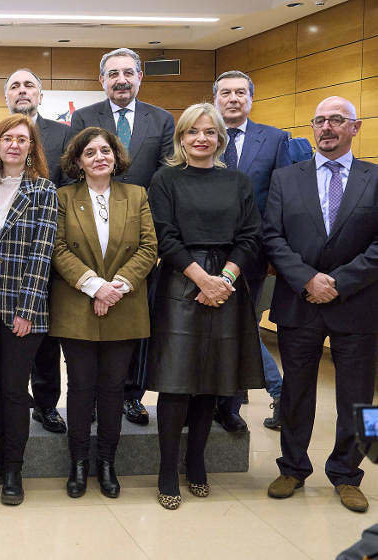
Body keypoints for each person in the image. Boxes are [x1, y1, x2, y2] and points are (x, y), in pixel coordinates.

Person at [146, 103, 264, 510]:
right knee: (177, 381)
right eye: (193, 132)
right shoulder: (165, 179)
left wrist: (225, 280)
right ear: (181, 138)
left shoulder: (238, 181)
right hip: (181, 281)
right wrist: (202, 279)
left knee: (211, 381)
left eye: (209, 132)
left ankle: (196, 462)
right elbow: (165, 235)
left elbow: (250, 235)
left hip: (228, 284)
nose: (201, 138)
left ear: (220, 138)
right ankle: (166, 470)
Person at [264, 96, 378, 513]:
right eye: (320, 121)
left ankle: (348, 473)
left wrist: (339, 283)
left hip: (359, 304)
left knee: (361, 397)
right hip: (300, 300)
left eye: (336, 120)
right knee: (295, 392)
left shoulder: (375, 177)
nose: (326, 127)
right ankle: (292, 467)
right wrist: (307, 278)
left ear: (355, 127)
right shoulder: (285, 178)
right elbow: (272, 236)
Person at [48, 127, 157, 499]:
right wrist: (95, 286)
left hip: (124, 307)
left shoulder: (136, 195)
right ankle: (78, 463)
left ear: (116, 156)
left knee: (113, 390)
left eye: (105, 151)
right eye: (90, 152)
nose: (99, 157)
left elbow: (148, 248)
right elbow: (58, 248)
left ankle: (107, 463)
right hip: (77, 306)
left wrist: (116, 288)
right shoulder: (62, 197)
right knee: (79, 389)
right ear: (78, 161)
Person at [70, 47, 175, 427]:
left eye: (128, 72)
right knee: (93, 325)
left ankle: (130, 394)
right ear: (102, 80)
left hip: (138, 233)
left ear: (140, 77)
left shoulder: (162, 120)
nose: (121, 79)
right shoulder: (83, 117)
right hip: (91, 233)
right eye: (113, 73)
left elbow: (165, 179)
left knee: (133, 324)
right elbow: (74, 167)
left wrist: (152, 235)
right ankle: (94, 398)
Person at [0, 114, 56, 505]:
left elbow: (42, 254)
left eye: (23, 139)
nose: (14, 145)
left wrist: (27, 309)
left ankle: (14, 469)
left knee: (16, 389)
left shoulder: (44, 191)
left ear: (32, 147)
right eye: (7, 139)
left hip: (22, 307)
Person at [0, 68, 73, 435]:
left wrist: (29, 304)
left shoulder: (62, 135)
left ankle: (46, 407)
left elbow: (45, 240)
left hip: (33, 269)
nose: (21, 90)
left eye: (28, 84)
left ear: (40, 94)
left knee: (38, 358)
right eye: (13, 84)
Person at [211, 70, 292, 433]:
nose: (233, 98)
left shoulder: (274, 140)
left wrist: (277, 252)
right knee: (218, 330)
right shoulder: (201, 135)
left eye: (240, 92)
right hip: (203, 255)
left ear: (251, 98)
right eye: (225, 92)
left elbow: (282, 198)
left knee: (240, 325)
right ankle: (225, 400)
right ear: (215, 99)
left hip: (252, 256)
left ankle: (232, 406)